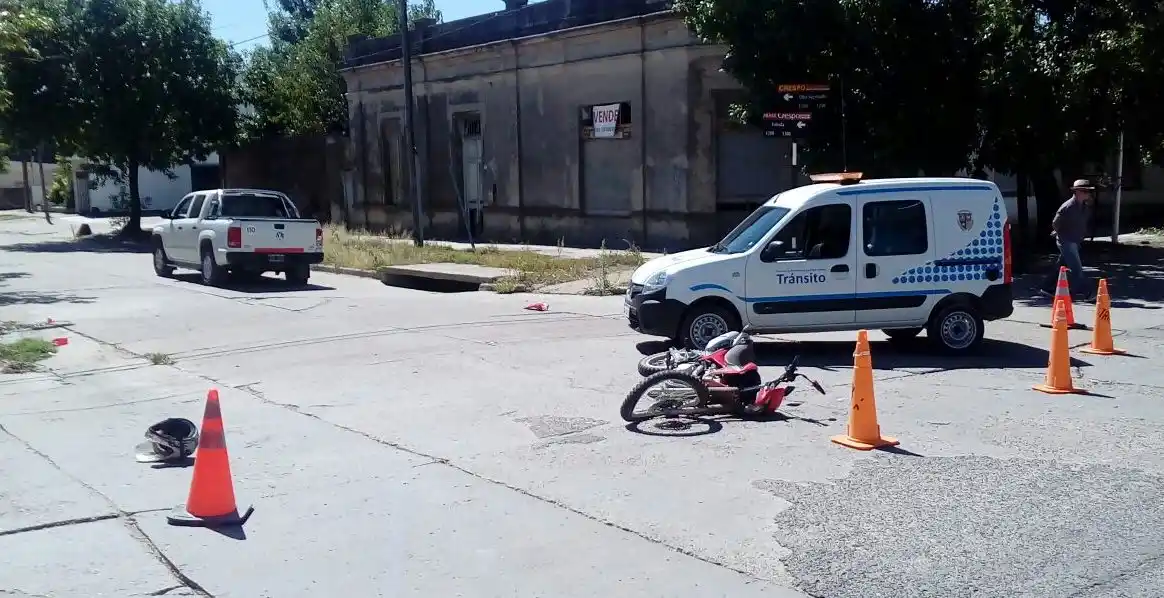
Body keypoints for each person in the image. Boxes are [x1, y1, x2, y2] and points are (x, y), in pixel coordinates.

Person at [1041, 179, 1095, 300]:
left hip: (1075, 240)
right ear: (1077, 192)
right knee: (1076, 268)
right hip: (1066, 241)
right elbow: (1056, 223)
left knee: (1060, 266)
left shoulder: (1084, 206)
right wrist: (1058, 232)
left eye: (1089, 191)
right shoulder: (1068, 207)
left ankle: (1046, 287)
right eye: (1085, 191)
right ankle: (1087, 293)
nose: (1088, 193)